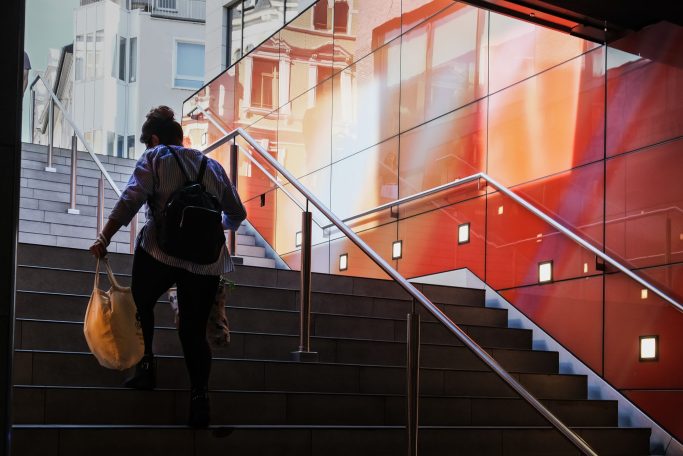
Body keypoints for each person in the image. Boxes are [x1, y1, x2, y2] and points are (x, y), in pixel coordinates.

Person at [89, 106, 246, 427]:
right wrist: (215, 226)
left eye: (149, 142)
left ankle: (146, 366)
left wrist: (104, 236)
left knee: (141, 303)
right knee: (193, 332)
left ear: (156, 139)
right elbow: (237, 214)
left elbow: (131, 199)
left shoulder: (155, 157)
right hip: (205, 261)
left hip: (160, 252)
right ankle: (200, 398)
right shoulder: (212, 166)